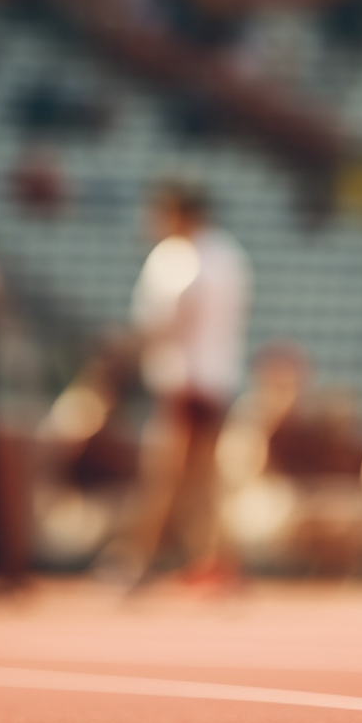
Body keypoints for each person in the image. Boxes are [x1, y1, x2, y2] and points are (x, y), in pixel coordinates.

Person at [111, 179, 251, 587]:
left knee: (165, 476)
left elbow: (164, 322)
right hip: (214, 378)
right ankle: (215, 560)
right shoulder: (226, 255)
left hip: (185, 382)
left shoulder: (179, 259)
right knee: (202, 481)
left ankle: (138, 560)